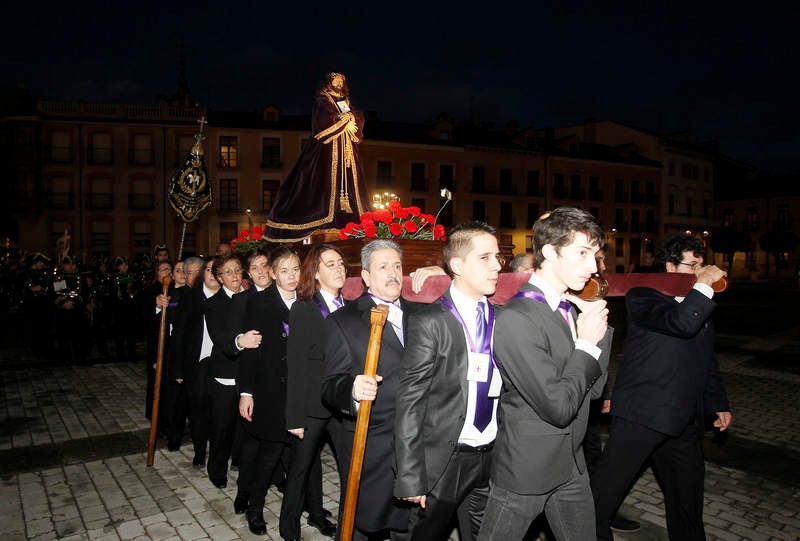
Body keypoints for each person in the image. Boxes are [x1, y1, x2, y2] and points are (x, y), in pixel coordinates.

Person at [477, 207, 612, 540]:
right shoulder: (518, 318)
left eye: (594, 255)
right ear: (550, 252)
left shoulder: (568, 309)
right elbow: (558, 406)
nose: (593, 266)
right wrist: (586, 344)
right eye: (582, 253)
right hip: (527, 470)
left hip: (571, 464)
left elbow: (593, 392)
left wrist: (598, 328)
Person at [592, 233, 731, 541]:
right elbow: (681, 324)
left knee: (687, 501)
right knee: (602, 496)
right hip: (643, 412)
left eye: (702, 264)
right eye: (691, 265)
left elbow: (706, 357)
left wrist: (717, 402)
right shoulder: (644, 295)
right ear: (670, 266)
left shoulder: (700, 301)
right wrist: (704, 286)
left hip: (684, 418)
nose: (699, 271)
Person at [394, 221, 503, 541]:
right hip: (445, 461)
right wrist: (412, 477)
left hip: (493, 455)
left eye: (497, 257)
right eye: (485, 258)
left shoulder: (503, 316)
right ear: (457, 265)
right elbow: (410, 402)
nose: (496, 266)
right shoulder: (431, 322)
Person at [322, 239, 424, 540]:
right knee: (369, 524)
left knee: (415, 526)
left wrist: (434, 270)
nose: (393, 273)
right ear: (366, 276)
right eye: (383, 267)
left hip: (420, 444)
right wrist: (352, 389)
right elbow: (329, 383)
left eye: (397, 266)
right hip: (377, 446)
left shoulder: (423, 313)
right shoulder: (344, 321)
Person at [278, 244, 346, 540]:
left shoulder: (351, 305)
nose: (339, 268)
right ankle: (288, 528)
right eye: (331, 264)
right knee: (301, 469)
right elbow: (296, 365)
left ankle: (329, 519)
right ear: (316, 273)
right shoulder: (304, 309)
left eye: (341, 263)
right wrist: (295, 417)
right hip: (313, 405)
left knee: (350, 468)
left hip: (343, 404)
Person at [236, 247, 300, 536]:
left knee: (300, 458)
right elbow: (250, 351)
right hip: (271, 390)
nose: (291, 276)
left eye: (296, 269)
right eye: (284, 270)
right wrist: (246, 392)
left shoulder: (308, 301)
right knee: (269, 454)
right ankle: (255, 507)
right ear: (273, 273)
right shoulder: (260, 303)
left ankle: (302, 508)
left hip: (300, 392)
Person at [264, 72, 369, 242]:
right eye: (336, 80)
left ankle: (350, 218)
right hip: (327, 149)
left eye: (342, 81)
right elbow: (323, 121)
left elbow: (357, 117)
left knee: (351, 183)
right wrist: (342, 120)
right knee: (321, 182)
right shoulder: (323, 99)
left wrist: (351, 117)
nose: (339, 83)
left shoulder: (346, 102)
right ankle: (324, 217)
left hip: (346, 150)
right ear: (329, 82)